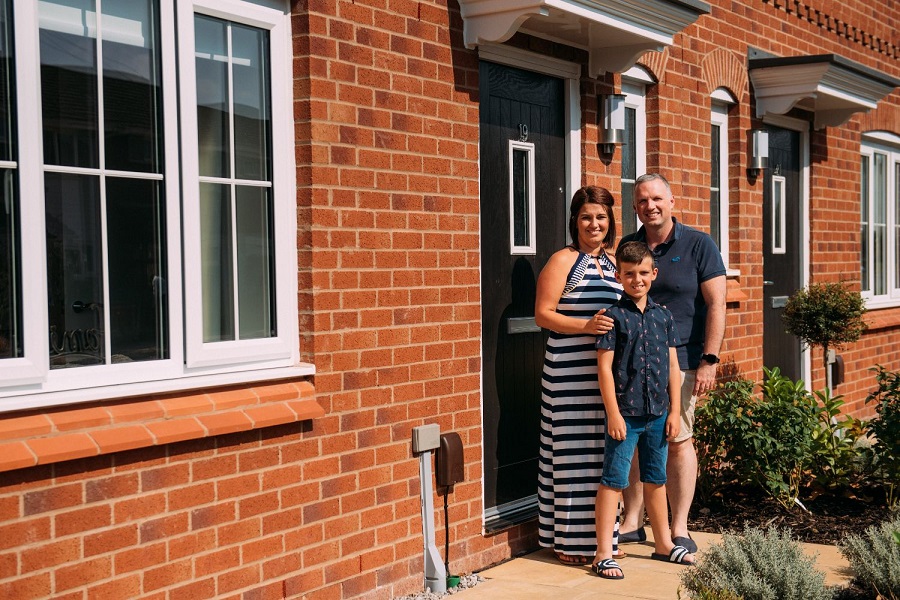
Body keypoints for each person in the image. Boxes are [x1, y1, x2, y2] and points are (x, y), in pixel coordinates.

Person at [618, 173, 726, 554]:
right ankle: (633, 521)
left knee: (677, 439)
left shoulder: (699, 244)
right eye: (643, 200)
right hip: (632, 362)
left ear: (672, 201)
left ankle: (679, 526)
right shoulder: (629, 244)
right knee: (632, 440)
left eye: (657, 198)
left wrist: (709, 360)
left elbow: (716, 304)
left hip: (680, 359)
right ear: (635, 207)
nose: (651, 206)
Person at [592, 240, 694, 579]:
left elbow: (672, 364)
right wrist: (614, 414)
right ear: (619, 276)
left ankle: (663, 543)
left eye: (643, 273)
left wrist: (675, 411)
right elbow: (604, 369)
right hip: (627, 415)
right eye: (629, 274)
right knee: (614, 480)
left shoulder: (663, 316)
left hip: (658, 414)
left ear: (654, 273)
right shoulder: (612, 317)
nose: (637, 280)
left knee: (656, 478)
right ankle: (603, 552)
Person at [535, 186, 623, 565]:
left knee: (602, 455)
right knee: (571, 456)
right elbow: (543, 314)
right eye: (586, 216)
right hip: (568, 372)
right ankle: (570, 542)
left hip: (605, 374)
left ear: (610, 221)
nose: (594, 224)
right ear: (575, 220)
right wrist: (586, 327)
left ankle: (603, 541)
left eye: (601, 217)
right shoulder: (563, 260)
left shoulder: (617, 262)